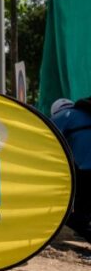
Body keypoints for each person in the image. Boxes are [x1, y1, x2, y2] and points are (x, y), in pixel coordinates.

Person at [51, 98, 91, 243]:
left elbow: (46, 140)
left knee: (69, 215)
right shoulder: (83, 114)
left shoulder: (62, 116)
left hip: (85, 170)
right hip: (85, 169)